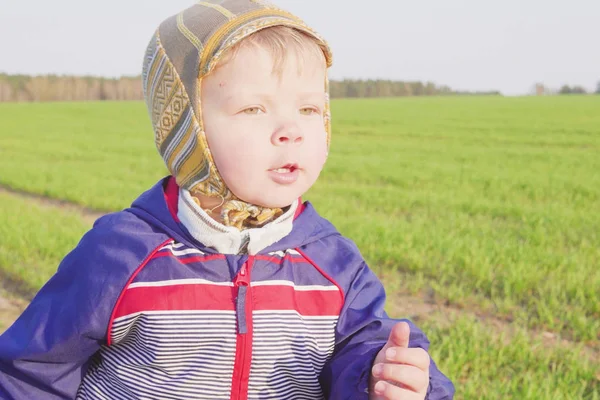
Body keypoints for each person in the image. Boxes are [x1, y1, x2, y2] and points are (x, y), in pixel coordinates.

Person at [0, 1, 455, 399]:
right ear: (187, 128)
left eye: (309, 109)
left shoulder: (333, 265)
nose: (290, 129)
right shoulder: (121, 254)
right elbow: (32, 370)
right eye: (254, 108)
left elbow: (366, 351)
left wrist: (389, 380)